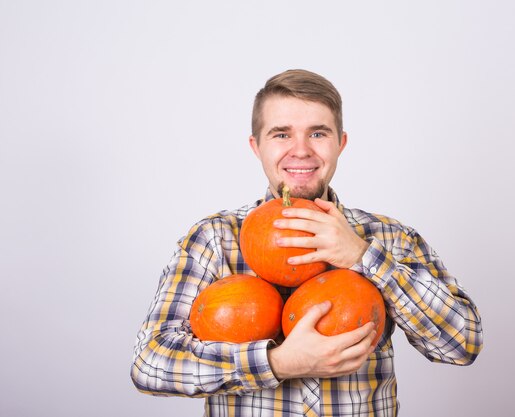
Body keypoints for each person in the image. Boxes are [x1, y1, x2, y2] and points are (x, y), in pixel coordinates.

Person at [130, 69, 483, 416]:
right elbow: (151, 363)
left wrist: (363, 256)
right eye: (281, 134)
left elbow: (462, 344)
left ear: (340, 143)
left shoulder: (390, 237)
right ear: (257, 146)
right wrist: (278, 363)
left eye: (317, 133)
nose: (301, 151)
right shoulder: (214, 238)